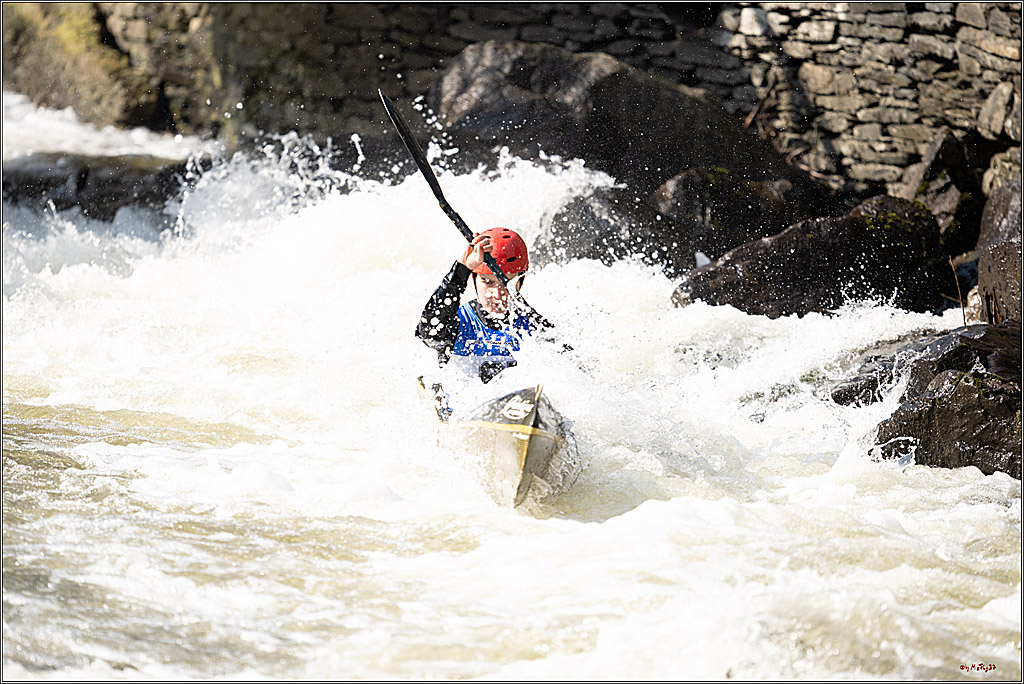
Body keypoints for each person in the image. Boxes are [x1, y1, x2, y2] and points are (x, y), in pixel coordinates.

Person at [416, 227, 554, 384]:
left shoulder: (532, 327)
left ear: (520, 282)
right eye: (487, 282)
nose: (497, 294)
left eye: (505, 284)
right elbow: (428, 333)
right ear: (474, 279)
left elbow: (568, 363)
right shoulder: (458, 322)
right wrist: (461, 271)